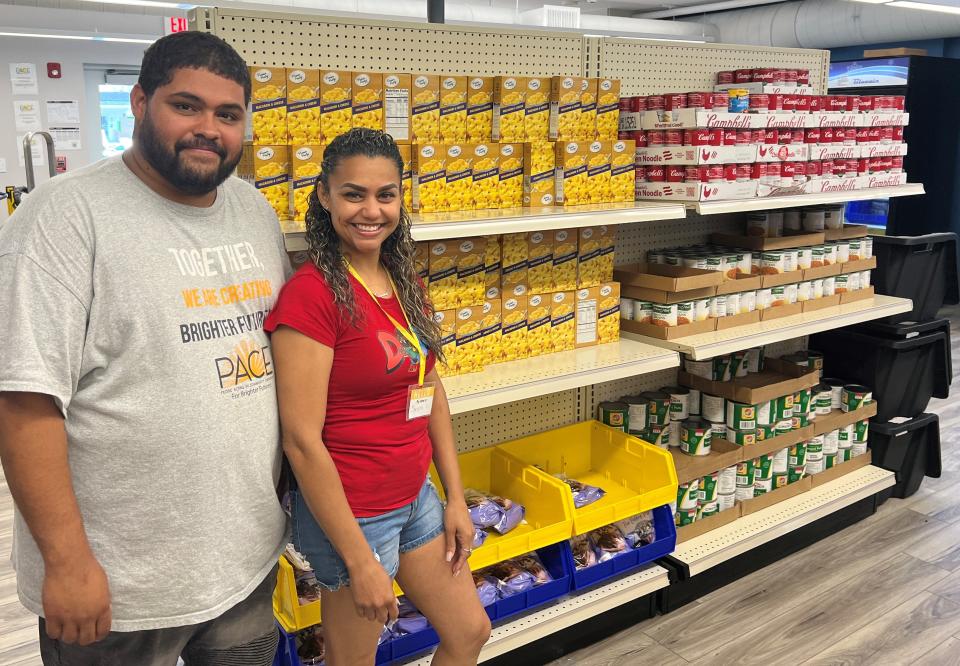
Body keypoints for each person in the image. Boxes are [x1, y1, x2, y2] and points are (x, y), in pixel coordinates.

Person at [0, 32, 291, 664]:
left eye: (228, 114)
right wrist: (68, 563)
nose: (207, 129)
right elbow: (23, 402)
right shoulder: (65, 215)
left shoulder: (253, 211)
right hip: (120, 589)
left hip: (244, 563)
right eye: (186, 106)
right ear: (138, 102)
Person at [265, 128, 492, 665]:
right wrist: (358, 559)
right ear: (324, 196)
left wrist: (454, 497)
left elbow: (429, 389)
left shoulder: (402, 278)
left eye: (385, 194)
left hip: (415, 497)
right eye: (353, 194)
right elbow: (300, 441)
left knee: (470, 632)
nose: (371, 210)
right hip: (352, 513)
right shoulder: (311, 295)